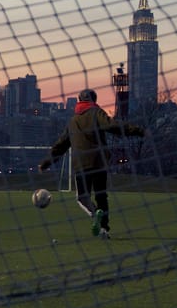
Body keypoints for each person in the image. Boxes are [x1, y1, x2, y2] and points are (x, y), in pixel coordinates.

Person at [39, 88, 145, 238]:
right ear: (94, 101)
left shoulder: (73, 121)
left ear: (79, 101)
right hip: (99, 161)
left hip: (81, 163)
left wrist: (46, 163)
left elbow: (61, 145)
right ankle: (104, 230)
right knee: (101, 196)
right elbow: (112, 125)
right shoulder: (96, 112)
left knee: (83, 197)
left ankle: (95, 214)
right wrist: (137, 130)